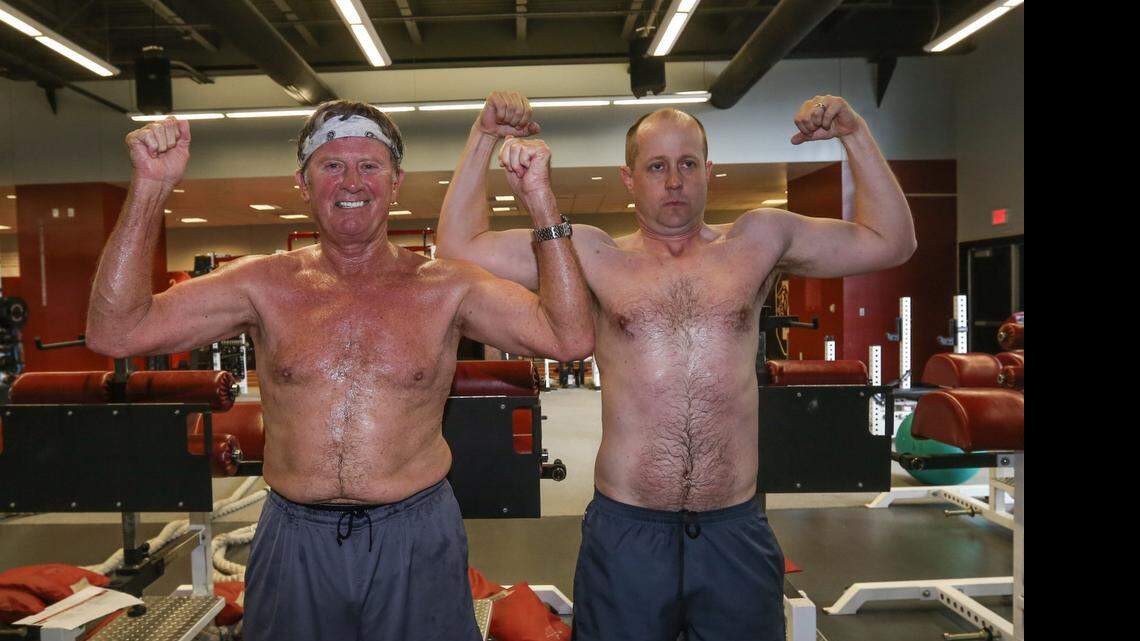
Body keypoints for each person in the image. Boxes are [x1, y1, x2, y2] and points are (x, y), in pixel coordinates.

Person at [85, 92, 593, 641]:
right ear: (303, 183)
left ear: (395, 181)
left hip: (416, 534)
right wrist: (149, 190)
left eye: (369, 165)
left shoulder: (447, 286)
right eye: (332, 165)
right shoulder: (261, 283)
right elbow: (116, 331)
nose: (351, 182)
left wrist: (540, 201)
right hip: (294, 537)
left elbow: (568, 336)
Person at [437, 94, 916, 641]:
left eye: (688, 164)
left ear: (709, 172)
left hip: (733, 526)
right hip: (627, 528)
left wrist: (855, 133)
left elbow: (892, 242)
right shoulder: (591, 253)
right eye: (656, 166)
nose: (674, 181)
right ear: (628, 178)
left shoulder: (757, 240)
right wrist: (482, 136)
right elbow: (459, 247)